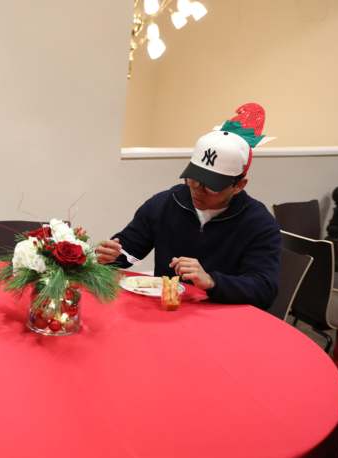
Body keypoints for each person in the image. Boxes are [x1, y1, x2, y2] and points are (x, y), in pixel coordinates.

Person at [96, 103, 280, 309]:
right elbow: (129, 249)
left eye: (211, 187)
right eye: (193, 180)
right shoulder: (166, 202)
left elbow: (264, 288)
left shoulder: (258, 222)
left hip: (225, 316)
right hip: (168, 309)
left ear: (239, 185)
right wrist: (110, 256)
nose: (197, 191)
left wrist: (212, 281)